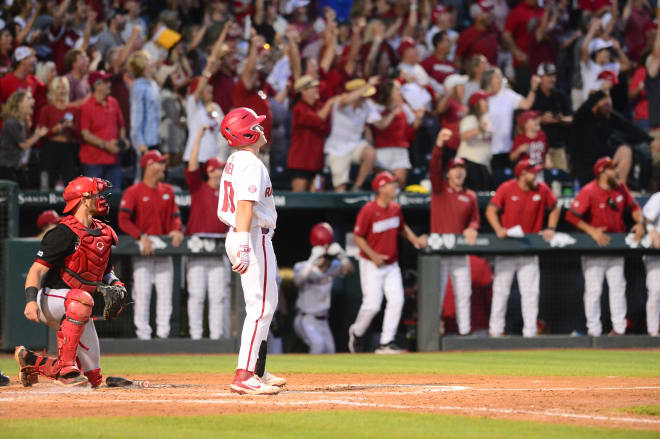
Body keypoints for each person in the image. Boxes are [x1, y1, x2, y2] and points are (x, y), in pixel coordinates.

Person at [14, 176, 125, 387]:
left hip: (79, 304)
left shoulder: (104, 232)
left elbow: (106, 271)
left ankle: (31, 360)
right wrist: (30, 301)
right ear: (83, 199)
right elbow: (36, 270)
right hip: (50, 298)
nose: (101, 198)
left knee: (93, 380)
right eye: (96, 194)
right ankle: (66, 369)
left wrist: (117, 284)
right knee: (82, 300)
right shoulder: (63, 232)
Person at [218, 107, 285, 395]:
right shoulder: (251, 163)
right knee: (260, 308)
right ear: (246, 132)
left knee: (261, 307)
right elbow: (245, 205)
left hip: (244, 233)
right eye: (255, 126)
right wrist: (246, 244)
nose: (261, 129)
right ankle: (244, 375)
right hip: (251, 235)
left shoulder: (236, 159)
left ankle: (256, 369)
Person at [348, 171, 427, 354]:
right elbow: (358, 237)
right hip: (371, 263)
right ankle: (357, 332)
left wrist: (414, 240)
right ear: (381, 188)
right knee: (372, 305)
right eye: (391, 184)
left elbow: (401, 227)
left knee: (397, 300)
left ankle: (386, 342)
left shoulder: (395, 208)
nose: (394, 187)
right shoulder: (368, 209)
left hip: (391, 264)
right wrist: (373, 255)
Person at [565, 157, 644, 336]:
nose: (615, 172)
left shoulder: (620, 188)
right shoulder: (589, 190)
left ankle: (619, 329)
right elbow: (571, 215)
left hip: (615, 247)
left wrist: (640, 224)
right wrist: (592, 230)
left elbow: (635, 208)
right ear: (601, 172)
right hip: (595, 247)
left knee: (618, 288)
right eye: (611, 169)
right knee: (594, 290)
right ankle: (594, 331)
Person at [485, 158, 559, 337]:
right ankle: (495, 331)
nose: (536, 175)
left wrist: (550, 228)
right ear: (522, 173)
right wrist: (498, 229)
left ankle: (530, 332)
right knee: (501, 291)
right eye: (532, 172)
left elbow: (555, 207)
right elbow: (490, 210)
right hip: (508, 247)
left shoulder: (542, 189)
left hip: (529, 247)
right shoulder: (507, 187)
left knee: (530, 293)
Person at [118, 150, 184, 339]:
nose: (163, 166)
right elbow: (123, 219)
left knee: (165, 297)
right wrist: (140, 236)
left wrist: (177, 229)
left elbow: (175, 217)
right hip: (143, 253)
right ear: (149, 166)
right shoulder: (134, 191)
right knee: (142, 295)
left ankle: (163, 337)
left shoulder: (167, 190)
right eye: (159, 162)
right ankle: (143, 337)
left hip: (163, 251)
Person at [430, 129, 480, 335]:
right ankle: (431, 333)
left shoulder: (470, 195)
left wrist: (472, 228)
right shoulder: (439, 189)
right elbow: (434, 167)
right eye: (455, 168)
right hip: (440, 253)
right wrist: (439, 145)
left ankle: (465, 334)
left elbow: (475, 219)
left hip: (459, 252)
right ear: (448, 172)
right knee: (437, 294)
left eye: (462, 169)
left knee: (464, 293)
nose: (459, 172)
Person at [185, 127, 230, 340]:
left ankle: (216, 338)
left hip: (220, 248)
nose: (217, 172)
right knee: (196, 296)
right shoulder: (198, 187)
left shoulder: (230, 192)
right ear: (209, 172)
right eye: (214, 169)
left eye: (220, 169)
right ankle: (195, 338)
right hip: (197, 247)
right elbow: (192, 165)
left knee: (218, 297)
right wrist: (198, 137)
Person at [569, 90, 656, 186]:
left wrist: (650, 141)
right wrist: (597, 95)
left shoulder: (607, 116)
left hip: (604, 160)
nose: (609, 108)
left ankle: (619, 187)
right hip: (584, 166)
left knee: (625, 150)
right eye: (605, 104)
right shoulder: (582, 117)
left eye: (610, 104)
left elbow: (629, 127)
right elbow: (584, 109)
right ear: (595, 104)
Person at [293, 223, 353, 354]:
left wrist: (342, 256)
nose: (324, 261)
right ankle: (307, 375)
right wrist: (312, 260)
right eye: (321, 257)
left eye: (326, 258)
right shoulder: (302, 267)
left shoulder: (333, 266)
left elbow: (350, 270)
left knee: (330, 351)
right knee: (318, 346)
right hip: (306, 318)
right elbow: (297, 281)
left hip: (323, 321)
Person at [482, 67, 539, 186]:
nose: (500, 79)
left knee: (506, 184)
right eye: (497, 76)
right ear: (489, 80)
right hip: (486, 150)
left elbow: (527, 104)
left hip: (506, 149)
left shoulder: (508, 95)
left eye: (500, 76)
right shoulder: (482, 98)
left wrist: (533, 88)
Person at [324, 78, 378, 192]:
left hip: (355, 146)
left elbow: (379, 123)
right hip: (337, 149)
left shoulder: (366, 106)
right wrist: (367, 85)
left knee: (370, 153)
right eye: (363, 95)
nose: (365, 98)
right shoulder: (340, 102)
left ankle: (357, 187)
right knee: (340, 188)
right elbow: (347, 100)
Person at [79, 70, 128, 189]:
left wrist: (122, 142)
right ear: (96, 85)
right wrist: (105, 145)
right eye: (105, 82)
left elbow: (121, 126)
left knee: (114, 198)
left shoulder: (113, 102)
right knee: (93, 200)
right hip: (93, 161)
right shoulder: (86, 106)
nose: (109, 84)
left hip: (113, 159)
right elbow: (85, 133)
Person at [287, 75, 336, 192]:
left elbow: (327, 127)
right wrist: (329, 104)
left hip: (317, 162)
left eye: (315, 87)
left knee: (318, 196)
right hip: (300, 162)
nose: (315, 90)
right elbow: (317, 120)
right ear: (302, 92)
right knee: (298, 199)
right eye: (311, 88)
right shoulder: (298, 108)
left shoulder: (318, 107)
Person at [371, 80, 422, 188]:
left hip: (400, 150)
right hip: (382, 150)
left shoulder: (405, 107)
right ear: (389, 92)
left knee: (399, 184)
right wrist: (393, 112)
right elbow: (382, 125)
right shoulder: (378, 108)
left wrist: (419, 117)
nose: (401, 92)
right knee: (382, 185)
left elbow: (413, 126)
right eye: (398, 89)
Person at [37, 76, 80, 189]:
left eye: (64, 87)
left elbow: (80, 133)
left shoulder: (74, 110)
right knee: (48, 181)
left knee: (70, 182)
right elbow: (42, 133)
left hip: (68, 148)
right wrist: (56, 129)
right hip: (51, 148)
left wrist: (72, 127)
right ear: (53, 90)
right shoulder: (46, 110)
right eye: (58, 88)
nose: (62, 90)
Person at [531, 62, 572, 171]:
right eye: (549, 76)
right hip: (538, 147)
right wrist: (541, 119)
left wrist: (558, 119)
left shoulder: (561, 96)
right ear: (540, 78)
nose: (552, 79)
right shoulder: (533, 96)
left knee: (562, 180)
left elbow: (571, 118)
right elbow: (524, 120)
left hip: (558, 146)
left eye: (554, 76)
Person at [0, 91, 48, 184]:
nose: (33, 100)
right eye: (29, 98)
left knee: (26, 189)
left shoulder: (24, 122)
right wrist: (38, 135)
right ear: (19, 103)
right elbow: (24, 145)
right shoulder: (11, 122)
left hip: (18, 166)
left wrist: (34, 134)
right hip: (6, 166)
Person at [457, 90, 493, 191]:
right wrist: (479, 129)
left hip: (483, 163)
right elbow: (463, 136)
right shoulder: (470, 119)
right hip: (470, 163)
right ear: (476, 103)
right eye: (484, 100)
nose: (487, 103)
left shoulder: (485, 119)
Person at [129, 51, 161, 157]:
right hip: (146, 142)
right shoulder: (138, 87)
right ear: (142, 66)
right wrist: (140, 144)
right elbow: (136, 117)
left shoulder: (153, 84)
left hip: (156, 138)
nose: (153, 63)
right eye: (149, 60)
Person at [455, 0, 499, 69]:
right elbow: (457, 61)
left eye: (490, 11)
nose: (490, 14)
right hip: (476, 76)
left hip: (493, 75)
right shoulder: (466, 35)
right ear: (476, 16)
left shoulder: (494, 29)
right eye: (486, 12)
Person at [642, 190, 660, 336]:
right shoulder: (658, 197)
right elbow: (645, 218)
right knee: (655, 291)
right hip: (656, 254)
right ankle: (653, 332)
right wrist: (651, 230)